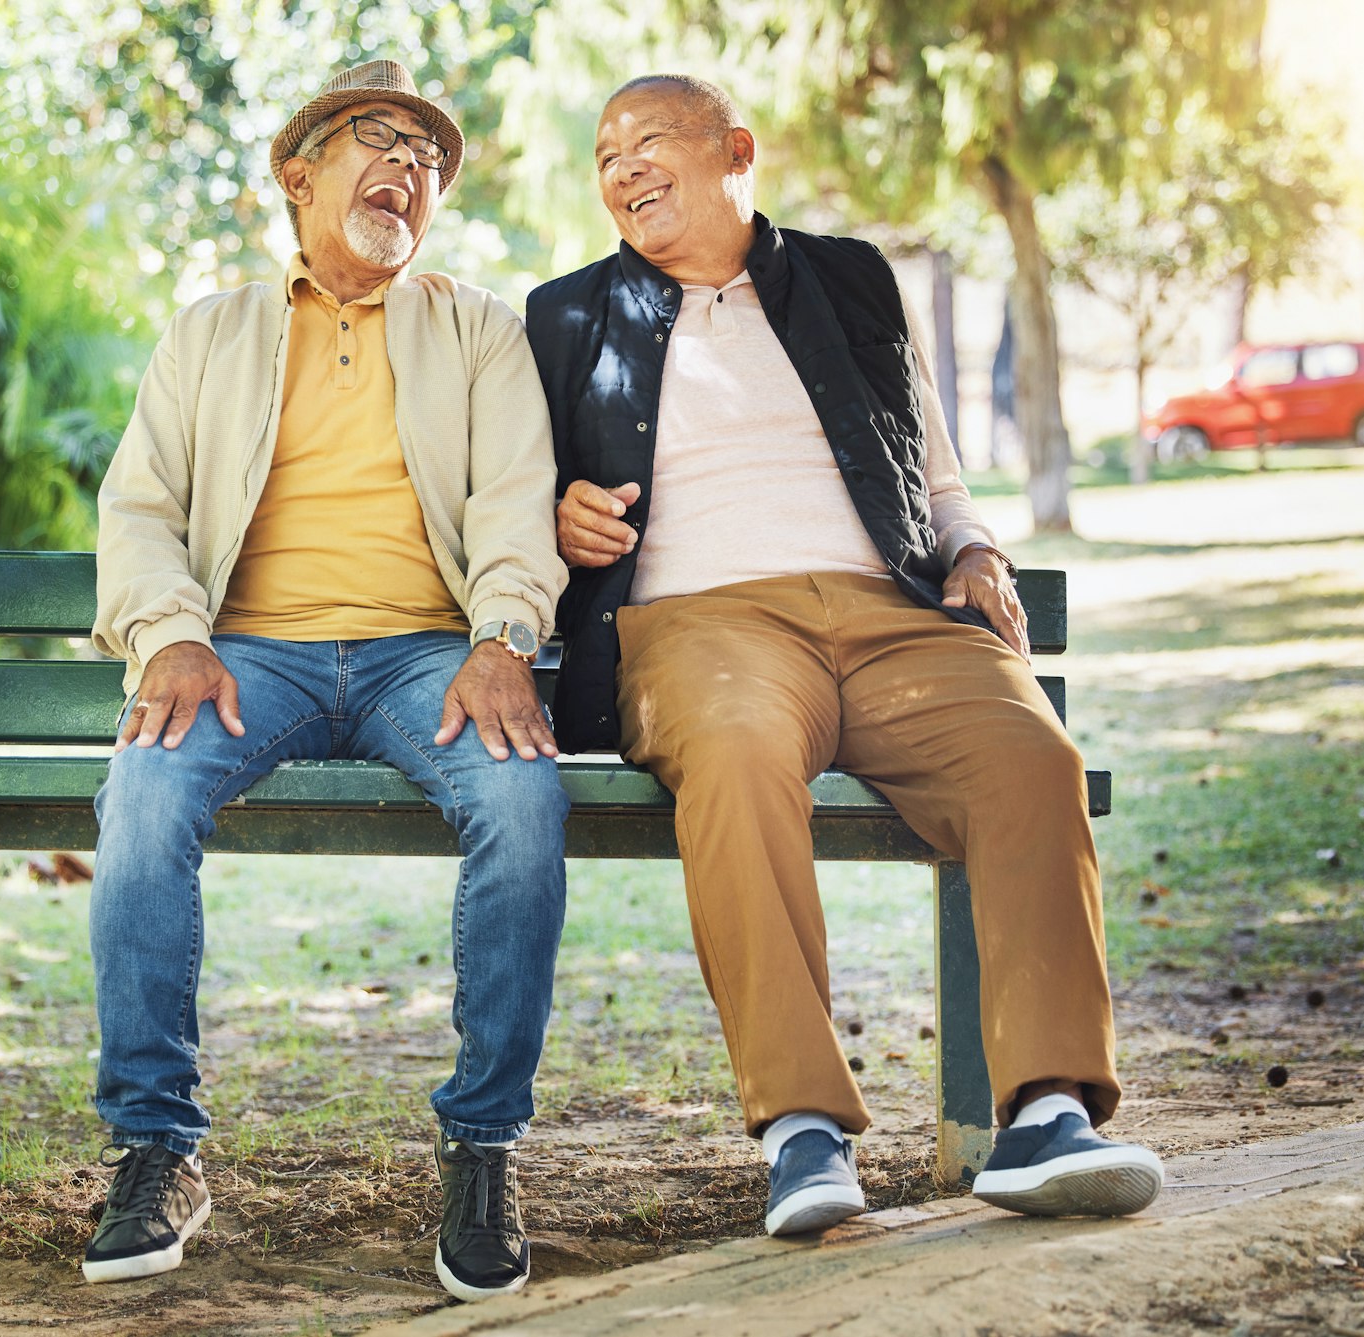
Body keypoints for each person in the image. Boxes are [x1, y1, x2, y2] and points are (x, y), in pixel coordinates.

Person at [525, 74, 1163, 1235]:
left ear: (734, 149)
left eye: (648, 142)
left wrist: (971, 550)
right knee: (732, 753)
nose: (621, 169)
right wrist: (555, 516)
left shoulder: (850, 279)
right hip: (700, 625)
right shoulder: (566, 317)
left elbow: (934, 469)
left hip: (891, 611)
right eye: (605, 155)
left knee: (1030, 756)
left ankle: (1049, 1111)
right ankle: (801, 1130)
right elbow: (510, 498)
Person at [85, 60, 568, 1300]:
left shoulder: (477, 329)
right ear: (298, 174)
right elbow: (137, 508)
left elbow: (517, 504)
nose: (407, 165)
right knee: (141, 797)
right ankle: (155, 1147)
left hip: (428, 657)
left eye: (427, 154)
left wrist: (502, 636)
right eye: (377, 137)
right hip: (247, 654)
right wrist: (168, 636)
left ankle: (481, 1144)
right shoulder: (213, 330)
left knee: (520, 804)